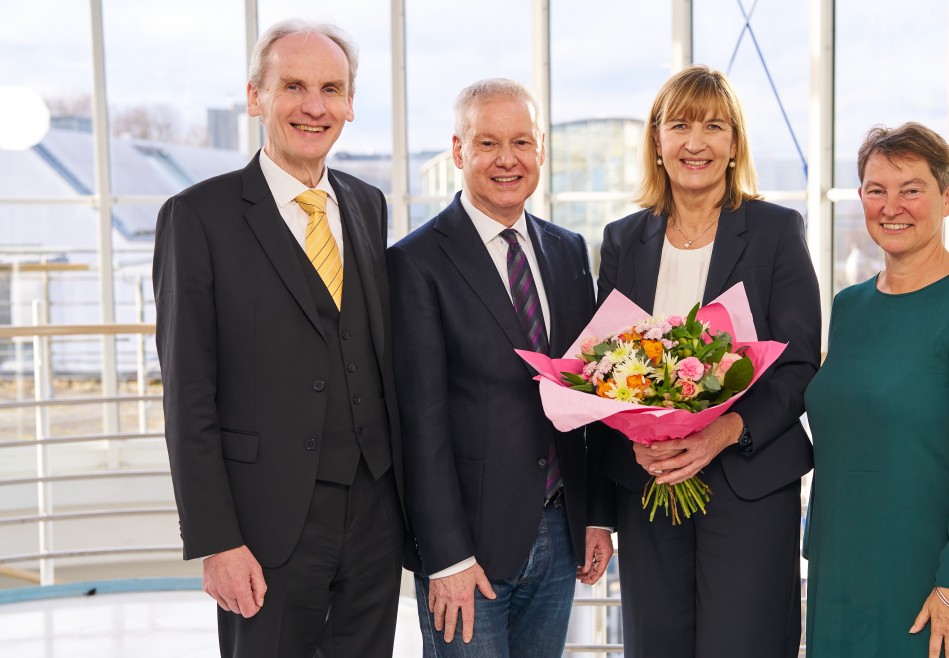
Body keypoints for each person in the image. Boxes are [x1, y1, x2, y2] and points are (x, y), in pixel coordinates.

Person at [153, 19, 406, 657]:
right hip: (264, 526)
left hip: (374, 514)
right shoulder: (197, 216)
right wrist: (217, 540)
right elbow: (188, 393)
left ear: (350, 104)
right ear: (255, 96)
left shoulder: (367, 204)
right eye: (293, 86)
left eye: (331, 89)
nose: (314, 106)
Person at [592, 65, 821, 658]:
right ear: (657, 142)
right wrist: (639, 441)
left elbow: (798, 367)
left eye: (714, 126)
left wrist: (721, 432)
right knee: (656, 643)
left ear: (734, 144)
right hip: (651, 481)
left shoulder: (774, 231)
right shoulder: (623, 239)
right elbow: (600, 367)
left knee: (744, 644)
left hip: (749, 483)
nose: (696, 142)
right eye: (680, 126)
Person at [387, 78, 614, 658]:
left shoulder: (568, 251)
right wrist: (446, 556)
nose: (507, 160)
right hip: (469, 551)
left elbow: (586, 397)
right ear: (459, 151)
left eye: (521, 142)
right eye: (488, 143)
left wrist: (595, 518)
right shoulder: (416, 263)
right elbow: (419, 423)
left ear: (540, 148)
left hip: (560, 537)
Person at [803, 122, 949, 658]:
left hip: (932, 580)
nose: (892, 206)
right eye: (877, 191)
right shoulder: (849, 307)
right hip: (842, 572)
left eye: (912, 190)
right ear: (861, 198)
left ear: (947, 198)